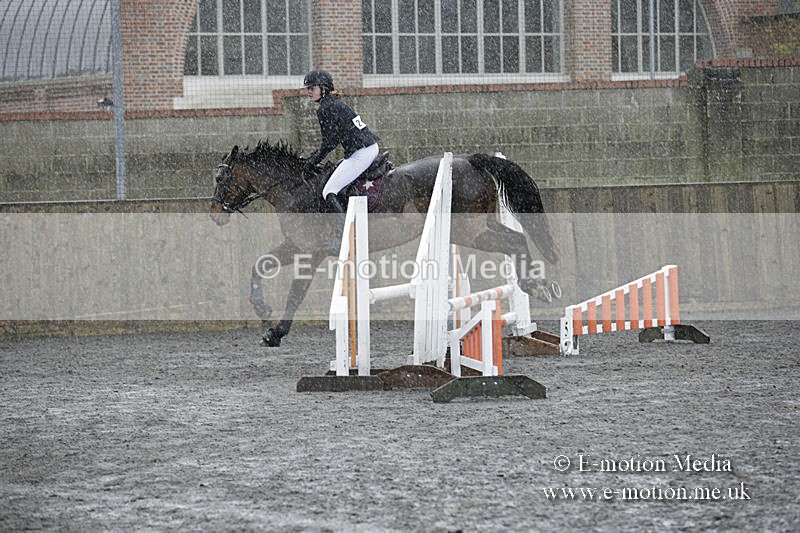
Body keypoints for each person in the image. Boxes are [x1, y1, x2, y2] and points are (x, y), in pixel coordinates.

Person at [303, 70, 380, 248]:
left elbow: (329, 143)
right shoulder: (333, 103)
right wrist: (313, 157)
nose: (308, 92)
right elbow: (332, 140)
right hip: (366, 148)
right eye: (308, 88)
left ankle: (343, 236)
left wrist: (312, 162)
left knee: (329, 191)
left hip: (362, 152)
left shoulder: (325, 108)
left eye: (312, 88)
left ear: (323, 89)